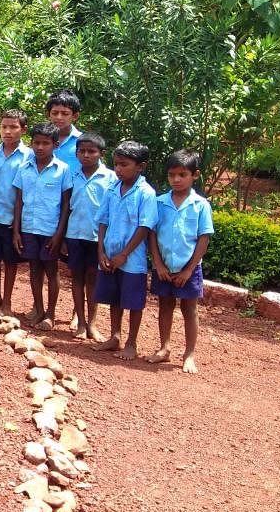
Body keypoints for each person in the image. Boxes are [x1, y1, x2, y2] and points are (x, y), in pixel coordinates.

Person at [147, 149, 213, 373]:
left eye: (182, 175)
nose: (176, 179)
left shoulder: (201, 205)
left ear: (195, 175)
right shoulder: (159, 202)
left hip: (189, 268)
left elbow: (203, 239)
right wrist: (158, 264)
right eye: (172, 175)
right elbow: (152, 234)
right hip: (164, 266)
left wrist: (189, 270)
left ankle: (189, 354)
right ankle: (164, 348)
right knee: (165, 306)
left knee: (189, 309)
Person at [92, 141, 158, 360]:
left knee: (133, 301)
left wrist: (124, 254)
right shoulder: (112, 188)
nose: (118, 169)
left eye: (124, 165)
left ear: (140, 166)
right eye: (116, 164)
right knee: (114, 297)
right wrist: (101, 250)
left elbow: (144, 227)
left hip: (133, 258)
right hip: (110, 252)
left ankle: (132, 342)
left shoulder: (145, 193)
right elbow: (103, 219)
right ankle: (115, 336)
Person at [12, 123, 72, 331]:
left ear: (55, 145)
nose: (40, 147)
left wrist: (59, 234)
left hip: (50, 231)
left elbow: (66, 205)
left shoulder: (62, 170)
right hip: (29, 228)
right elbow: (18, 201)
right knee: (34, 270)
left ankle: (51, 314)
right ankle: (38, 309)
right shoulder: (24, 168)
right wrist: (16, 231)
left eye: (45, 143)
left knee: (51, 271)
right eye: (36, 142)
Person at [64, 131, 114, 340]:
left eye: (91, 151)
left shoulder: (110, 178)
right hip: (74, 234)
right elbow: (66, 206)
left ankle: (92, 323)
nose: (86, 155)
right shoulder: (71, 176)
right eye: (82, 151)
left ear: (101, 153)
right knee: (76, 277)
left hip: (97, 238)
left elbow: (112, 211)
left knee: (93, 279)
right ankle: (81, 323)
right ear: (76, 154)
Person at [0, 110, 31, 321]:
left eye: (13, 127)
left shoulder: (28, 156)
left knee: (10, 261)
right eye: (4, 127)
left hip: (13, 218)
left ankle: (8, 301)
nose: (7, 131)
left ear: (23, 129)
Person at [47, 89, 83, 169]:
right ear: (48, 115)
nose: (59, 117)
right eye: (55, 113)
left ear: (75, 116)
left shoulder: (84, 142)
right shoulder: (40, 141)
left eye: (65, 114)